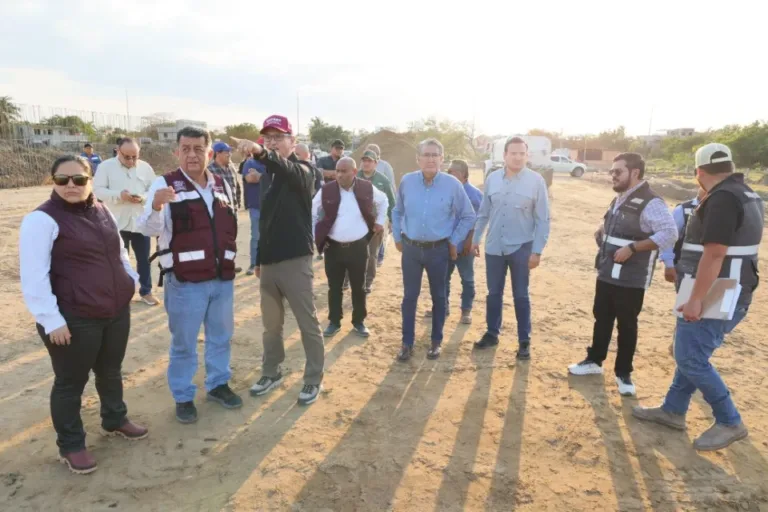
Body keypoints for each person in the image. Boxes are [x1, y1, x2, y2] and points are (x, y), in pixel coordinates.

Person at [20, 155, 147, 475]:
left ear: (90, 180)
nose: (71, 185)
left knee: (110, 371)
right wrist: (51, 320)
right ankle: (72, 444)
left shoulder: (102, 209)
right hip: (74, 317)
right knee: (70, 383)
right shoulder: (41, 220)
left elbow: (119, 251)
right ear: (53, 181)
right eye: (62, 180)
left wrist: (131, 281)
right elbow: (33, 277)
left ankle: (115, 418)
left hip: (115, 310)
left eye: (78, 179)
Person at [633, 143, 763, 451]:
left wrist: (696, 299)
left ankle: (729, 420)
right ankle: (673, 410)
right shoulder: (747, 194)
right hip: (730, 287)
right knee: (691, 352)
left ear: (699, 172)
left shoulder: (722, 199)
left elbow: (715, 253)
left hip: (717, 290)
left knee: (690, 357)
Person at [137, 126, 242, 424]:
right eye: (185, 149)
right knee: (184, 343)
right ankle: (183, 396)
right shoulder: (164, 184)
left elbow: (229, 224)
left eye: (198, 149)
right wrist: (156, 205)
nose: (192, 155)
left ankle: (218, 384)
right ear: (177, 152)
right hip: (185, 282)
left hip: (221, 278)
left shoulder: (221, 183)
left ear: (209, 152)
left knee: (221, 337)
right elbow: (149, 229)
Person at [234, 115, 325, 407]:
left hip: (296, 260)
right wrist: (260, 259)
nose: (272, 143)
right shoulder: (268, 177)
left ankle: (313, 378)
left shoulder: (305, 170)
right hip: (270, 263)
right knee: (271, 326)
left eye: (278, 137)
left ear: (292, 141)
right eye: (268, 138)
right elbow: (265, 223)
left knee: (307, 323)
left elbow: (286, 168)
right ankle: (271, 372)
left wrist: (261, 152)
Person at [568, 153, 677, 396]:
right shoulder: (619, 198)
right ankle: (594, 360)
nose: (613, 176)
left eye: (617, 171)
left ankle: (623, 373)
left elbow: (669, 233)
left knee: (627, 324)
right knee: (602, 317)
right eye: (612, 171)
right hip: (607, 272)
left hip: (631, 278)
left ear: (635, 173)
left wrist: (633, 248)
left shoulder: (651, 202)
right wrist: (601, 232)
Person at [391, 138, 476, 361]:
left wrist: (454, 241)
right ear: (417, 159)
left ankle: (436, 341)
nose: (430, 159)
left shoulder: (452, 185)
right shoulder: (407, 181)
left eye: (434, 155)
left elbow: (468, 216)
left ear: (442, 159)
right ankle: (407, 343)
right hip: (411, 250)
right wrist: (397, 236)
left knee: (439, 296)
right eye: (426, 155)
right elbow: (397, 211)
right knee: (410, 297)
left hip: (438, 251)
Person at [472, 138, 549, 359]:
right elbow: (484, 213)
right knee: (493, 293)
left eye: (522, 153)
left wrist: (536, 251)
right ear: (504, 155)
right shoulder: (493, 179)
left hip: (521, 247)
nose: (517, 157)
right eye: (513, 153)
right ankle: (492, 333)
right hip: (494, 247)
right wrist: (476, 239)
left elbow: (542, 219)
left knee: (521, 295)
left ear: (527, 156)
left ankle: (524, 340)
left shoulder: (536, 181)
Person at [314, 157, 388, 337]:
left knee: (358, 286)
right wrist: (318, 235)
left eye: (343, 171)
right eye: (337, 171)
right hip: (333, 248)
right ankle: (334, 321)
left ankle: (359, 321)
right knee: (334, 287)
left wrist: (379, 222)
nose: (339, 175)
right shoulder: (327, 190)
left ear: (354, 172)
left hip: (358, 247)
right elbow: (312, 212)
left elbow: (384, 200)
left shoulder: (366, 187)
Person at [93, 137, 159, 306]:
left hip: (140, 222)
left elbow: (154, 190)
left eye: (134, 157)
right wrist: (118, 195)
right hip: (115, 222)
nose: (131, 161)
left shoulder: (145, 168)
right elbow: (98, 190)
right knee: (118, 260)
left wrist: (142, 198)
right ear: (118, 151)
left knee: (144, 259)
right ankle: (121, 294)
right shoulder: (105, 167)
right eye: (127, 157)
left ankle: (146, 291)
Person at [436, 159, 483, 325]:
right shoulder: (445, 191)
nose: (449, 174)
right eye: (448, 171)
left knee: (467, 279)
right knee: (443, 278)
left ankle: (466, 311)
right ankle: (443, 308)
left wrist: (470, 241)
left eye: (452, 172)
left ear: (463, 174)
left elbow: (477, 221)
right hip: (446, 243)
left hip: (464, 246)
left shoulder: (474, 194)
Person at [357, 149, 395, 293]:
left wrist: (391, 221)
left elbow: (391, 201)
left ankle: (368, 281)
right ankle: (353, 279)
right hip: (357, 222)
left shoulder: (383, 180)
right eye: (364, 160)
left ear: (376, 163)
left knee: (372, 254)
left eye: (369, 161)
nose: (366, 163)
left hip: (376, 224)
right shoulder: (354, 177)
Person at [661, 186, 707, 286]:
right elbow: (668, 238)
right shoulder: (682, 209)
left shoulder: (721, 210)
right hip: (685, 269)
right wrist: (669, 264)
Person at [208, 142, 243, 273]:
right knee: (218, 240)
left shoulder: (231, 168)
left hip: (232, 211)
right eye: (226, 152)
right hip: (218, 212)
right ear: (217, 153)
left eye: (229, 151)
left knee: (231, 239)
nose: (229, 154)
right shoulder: (209, 170)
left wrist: (237, 204)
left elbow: (236, 186)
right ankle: (217, 265)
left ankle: (229, 264)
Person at [366, 143, 396, 267]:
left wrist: (392, 215)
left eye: (373, 152)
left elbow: (391, 185)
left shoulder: (385, 166)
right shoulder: (363, 167)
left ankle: (380, 256)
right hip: (366, 209)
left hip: (381, 207)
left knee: (379, 231)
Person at [241, 148, 266, 276]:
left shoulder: (272, 162)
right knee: (256, 236)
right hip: (256, 205)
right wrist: (267, 176)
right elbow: (250, 178)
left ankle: (268, 265)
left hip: (272, 206)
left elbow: (277, 178)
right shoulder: (250, 163)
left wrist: (260, 175)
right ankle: (254, 264)